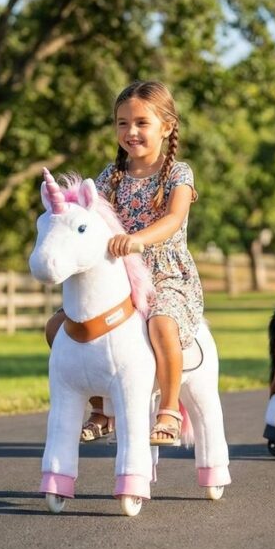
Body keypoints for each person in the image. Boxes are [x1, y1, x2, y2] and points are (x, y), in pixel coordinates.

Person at [80, 80, 203, 446]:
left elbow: (173, 219)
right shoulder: (110, 177)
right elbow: (89, 216)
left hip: (166, 275)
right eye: (121, 123)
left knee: (163, 324)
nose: (130, 131)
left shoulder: (177, 173)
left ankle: (167, 409)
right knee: (63, 326)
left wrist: (137, 239)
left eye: (141, 123)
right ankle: (102, 407)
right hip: (119, 277)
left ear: (166, 127)